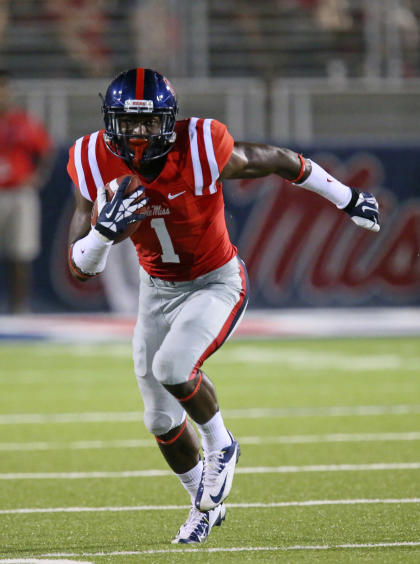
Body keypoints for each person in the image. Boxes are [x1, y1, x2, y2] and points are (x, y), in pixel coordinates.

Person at [66, 68, 380, 544]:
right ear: (110, 122)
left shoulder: (201, 146)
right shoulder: (91, 158)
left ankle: (221, 442)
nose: (138, 134)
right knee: (160, 420)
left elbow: (276, 159)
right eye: (128, 123)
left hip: (216, 282)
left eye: (149, 123)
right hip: (158, 289)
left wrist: (348, 196)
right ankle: (204, 508)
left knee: (174, 365)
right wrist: (101, 237)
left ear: (169, 122)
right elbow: (79, 267)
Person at [0, 70, 53, 313]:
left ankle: (19, 308)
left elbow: (46, 149)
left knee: (21, 252)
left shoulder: (23, 122)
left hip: (19, 192)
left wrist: (38, 176)